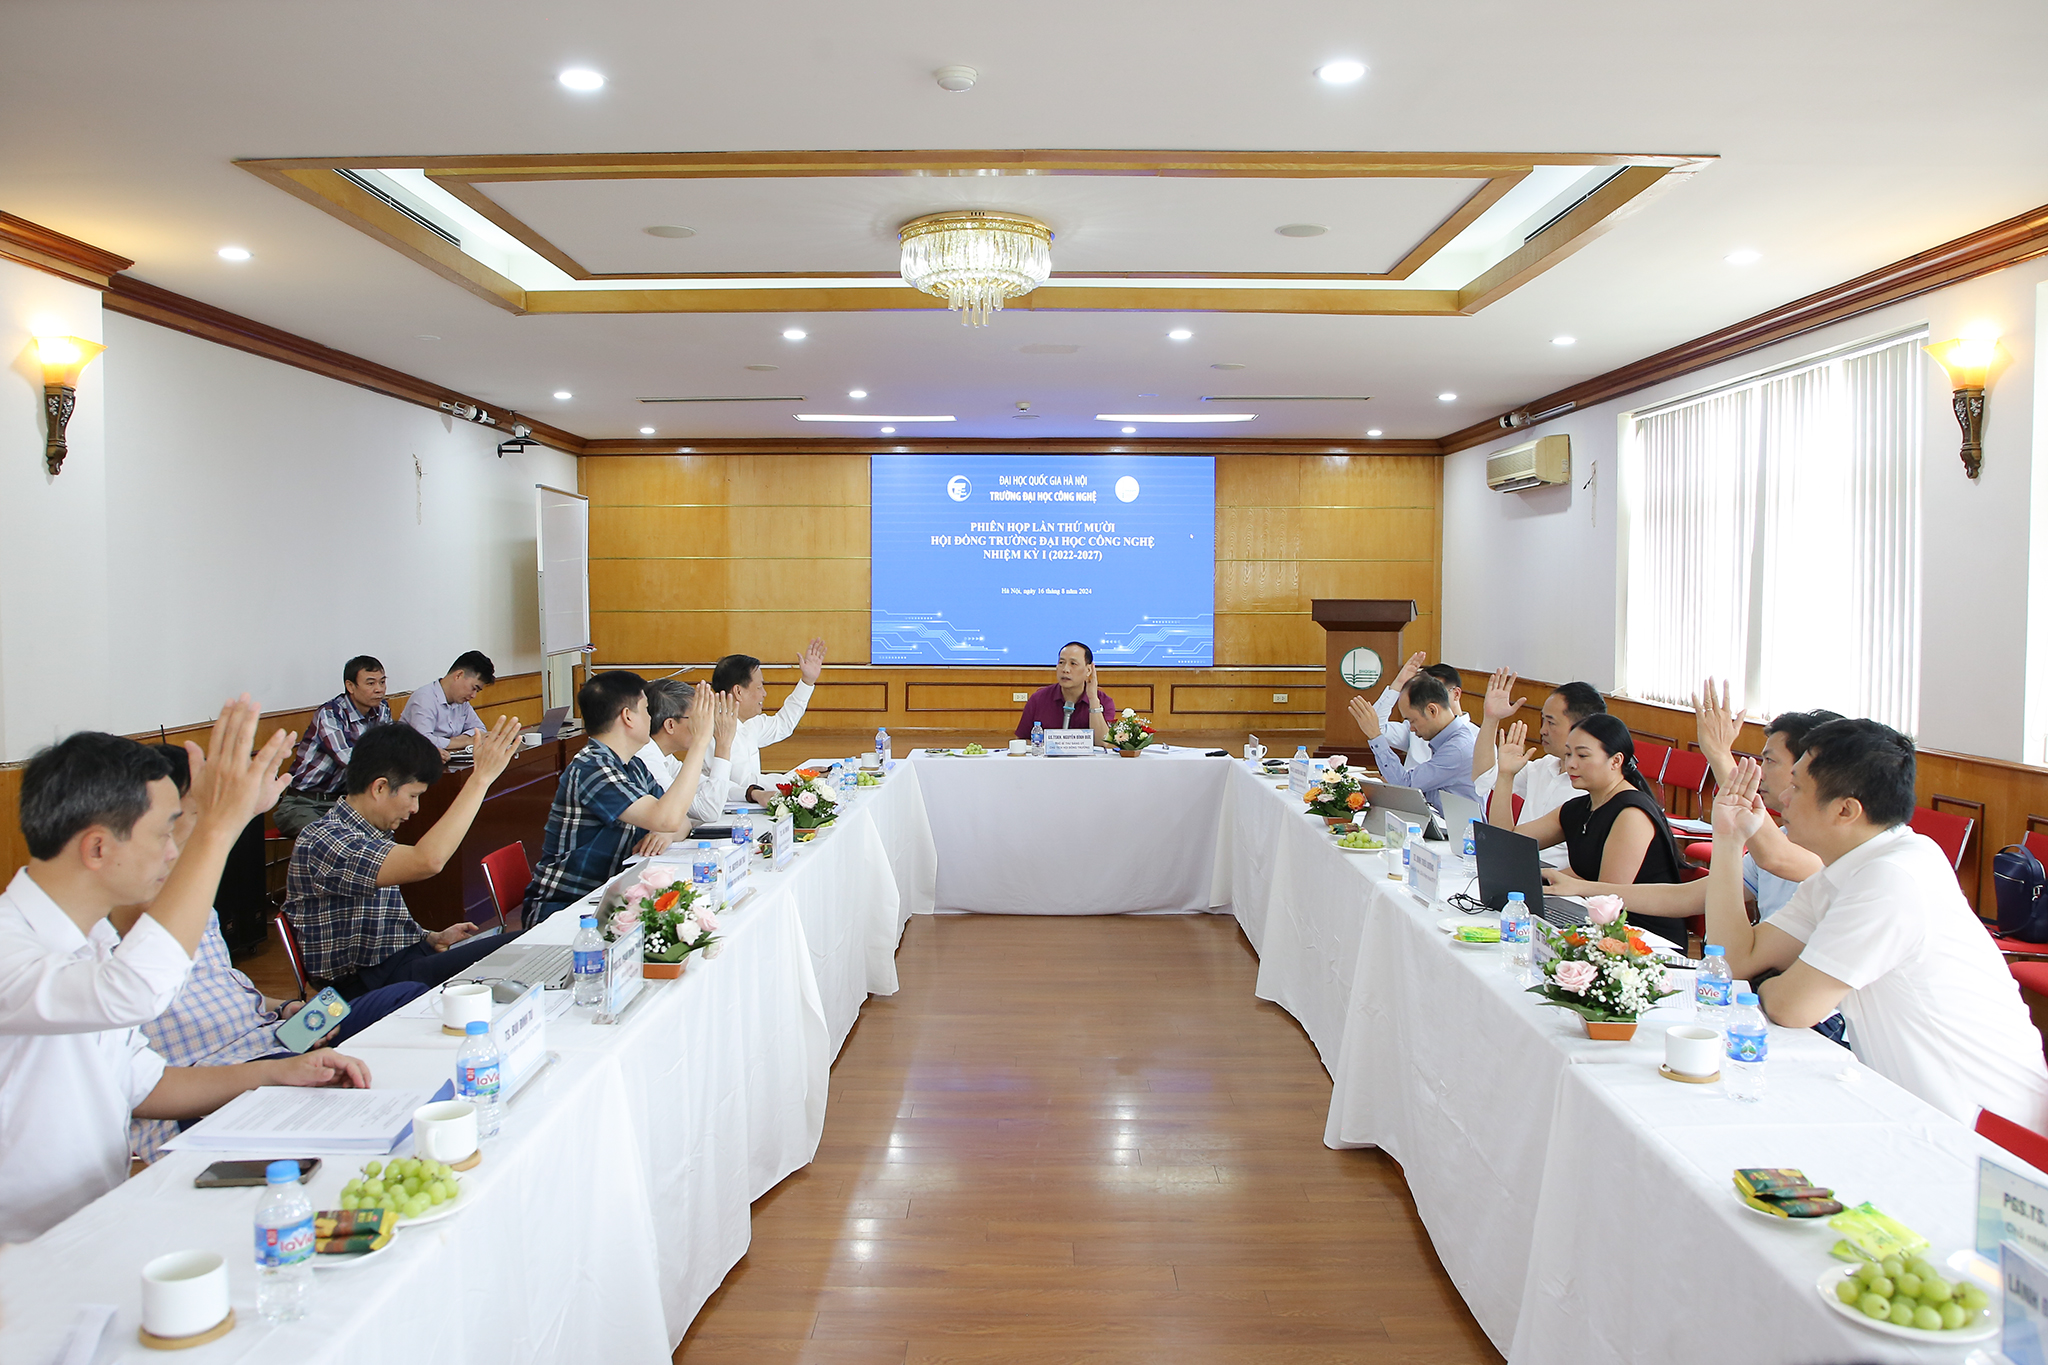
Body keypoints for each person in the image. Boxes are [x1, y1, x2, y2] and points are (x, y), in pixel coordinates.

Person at [0, 700, 370, 1243]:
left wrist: (280, 1072)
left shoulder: (93, 939)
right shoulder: (11, 946)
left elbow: (144, 1084)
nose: (174, 853)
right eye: (163, 834)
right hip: (22, 1251)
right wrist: (218, 830)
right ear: (98, 847)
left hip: (97, 1221)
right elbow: (133, 993)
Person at [1705, 722, 2048, 1128]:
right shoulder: (1845, 871)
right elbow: (1733, 960)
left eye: (1796, 787)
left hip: (1988, 1132)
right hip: (1916, 1112)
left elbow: (1791, 1008)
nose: (1782, 799)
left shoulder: (1893, 876)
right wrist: (1728, 839)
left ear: (1846, 810)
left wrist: (1772, 985)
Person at [123, 744, 425, 1161]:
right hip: (218, 1072)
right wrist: (273, 1070)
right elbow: (429, 861)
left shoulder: (191, 897)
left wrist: (285, 1008)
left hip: (269, 1036)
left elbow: (223, 982)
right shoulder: (126, 916)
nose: (184, 840)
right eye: (191, 814)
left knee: (408, 996)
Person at [282, 717, 527, 996]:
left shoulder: (372, 830)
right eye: (413, 795)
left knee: (520, 947)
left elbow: (379, 920)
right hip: (367, 984)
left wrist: (430, 937)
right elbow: (428, 861)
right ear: (380, 788)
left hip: (401, 962)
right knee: (517, 947)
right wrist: (480, 779)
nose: (415, 808)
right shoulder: (326, 840)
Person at [1542, 688, 1833, 920]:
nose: (1760, 770)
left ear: (1809, 768)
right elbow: (1683, 897)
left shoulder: (1834, 851)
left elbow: (1775, 858)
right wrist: (1581, 888)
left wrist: (1719, 754)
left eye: (1770, 761)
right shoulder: (1780, 839)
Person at [522, 672, 720, 924]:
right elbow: (668, 818)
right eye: (646, 710)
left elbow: (681, 822)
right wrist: (700, 742)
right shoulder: (592, 767)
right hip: (565, 909)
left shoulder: (633, 765)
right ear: (628, 716)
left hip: (611, 902)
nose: (651, 718)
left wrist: (666, 834)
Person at [1491, 712, 1688, 944]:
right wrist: (1505, 775)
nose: (1571, 764)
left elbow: (1609, 899)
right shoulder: (1580, 807)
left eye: (1582, 755)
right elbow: (1505, 844)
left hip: (1642, 938)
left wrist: (1570, 886)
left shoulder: (1631, 813)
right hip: (1595, 920)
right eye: (1568, 754)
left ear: (1616, 761)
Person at [1471, 669, 1606, 868]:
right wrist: (1491, 719)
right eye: (1543, 720)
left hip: (1556, 880)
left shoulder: (1594, 786)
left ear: (1582, 727)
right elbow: (1484, 777)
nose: (1542, 730)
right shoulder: (1545, 765)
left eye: (1551, 723)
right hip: (1517, 866)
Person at [274, 654, 391, 837]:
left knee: (383, 834)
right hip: (303, 803)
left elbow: (391, 751)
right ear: (350, 686)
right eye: (370, 683)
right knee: (333, 839)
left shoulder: (381, 709)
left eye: (382, 682)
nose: (379, 689)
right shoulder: (330, 714)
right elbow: (350, 760)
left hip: (344, 803)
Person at [717, 639, 827, 806]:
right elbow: (744, 783)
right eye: (759, 687)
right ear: (738, 691)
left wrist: (807, 681)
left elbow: (783, 724)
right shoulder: (715, 730)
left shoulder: (749, 722)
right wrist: (797, 778)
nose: (764, 694)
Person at [1349, 673, 1478, 812]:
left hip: (1458, 825)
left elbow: (1406, 785)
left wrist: (1375, 736)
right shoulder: (1448, 738)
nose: (1411, 728)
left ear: (1432, 710)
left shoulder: (1457, 748)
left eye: (1412, 721)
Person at [635, 677, 741, 837]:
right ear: (670, 725)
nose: (707, 724)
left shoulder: (664, 756)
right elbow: (708, 810)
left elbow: (703, 784)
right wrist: (723, 745)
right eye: (698, 718)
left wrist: (751, 793)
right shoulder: (646, 759)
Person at [1367, 653, 1464, 764]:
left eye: (1436, 691)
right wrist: (1399, 684)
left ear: (1456, 694)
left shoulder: (1473, 737)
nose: (1427, 700)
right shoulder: (1415, 727)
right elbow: (1375, 725)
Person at [1015, 641, 1116, 747]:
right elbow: (1022, 740)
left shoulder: (1104, 701)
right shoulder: (1038, 699)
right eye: (1061, 662)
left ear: (1088, 670)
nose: (1065, 669)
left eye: (1073, 664)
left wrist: (1093, 700)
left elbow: (1102, 743)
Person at [399, 649, 495, 751]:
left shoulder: (462, 702)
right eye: (473, 688)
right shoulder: (424, 698)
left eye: (477, 691)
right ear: (459, 675)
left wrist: (459, 739)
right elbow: (423, 741)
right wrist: (465, 741)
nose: (473, 695)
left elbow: (480, 730)